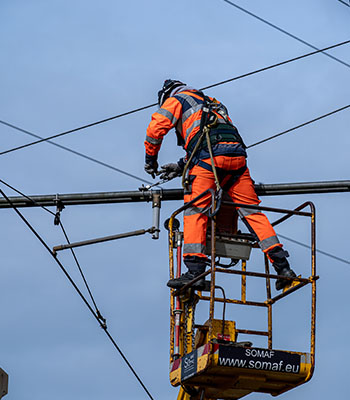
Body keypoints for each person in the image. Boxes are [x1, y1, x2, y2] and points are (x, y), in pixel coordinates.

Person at [144, 79, 296, 290]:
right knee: (253, 214)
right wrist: (181, 165)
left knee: (195, 210)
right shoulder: (213, 103)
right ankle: (284, 268)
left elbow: (155, 129)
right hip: (237, 161)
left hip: (209, 161)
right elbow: (214, 137)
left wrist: (150, 160)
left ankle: (195, 272)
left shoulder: (176, 100)